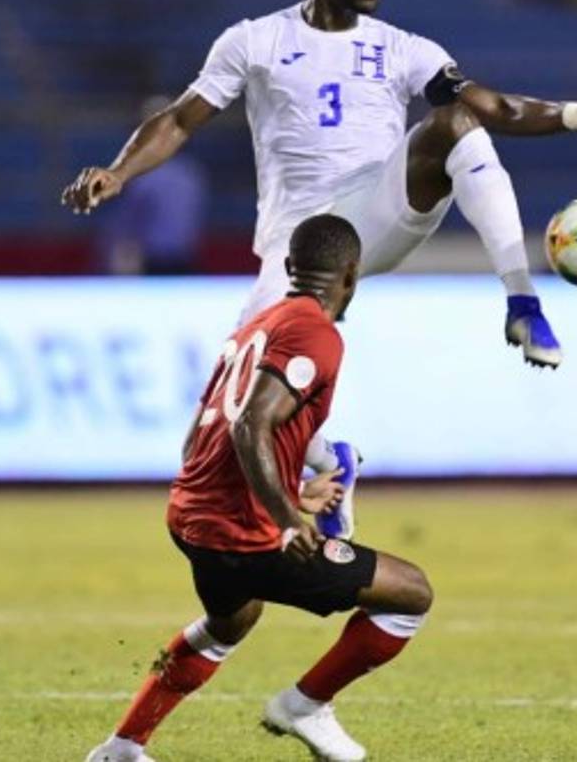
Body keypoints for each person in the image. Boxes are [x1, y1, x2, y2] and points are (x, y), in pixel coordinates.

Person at [61, 0, 577, 535]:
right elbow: (180, 119)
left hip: (378, 213)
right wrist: (118, 172)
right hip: (296, 248)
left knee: (458, 123)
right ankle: (330, 462)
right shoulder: (255, 41)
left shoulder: (403, 49)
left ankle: (523, 302)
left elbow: (495, 107)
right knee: (235, 401)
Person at [84, 215, 433, 762]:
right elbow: (251, 425)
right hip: (243, 534)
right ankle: (305, 706)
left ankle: (122, 748)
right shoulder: (317, 334)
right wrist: (289, 518)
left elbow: (203, 437)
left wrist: (290, 493)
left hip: (191, 517)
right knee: (410, 594)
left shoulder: (255, 327)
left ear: (290, 267)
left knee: (230, 622)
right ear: (351, 274)